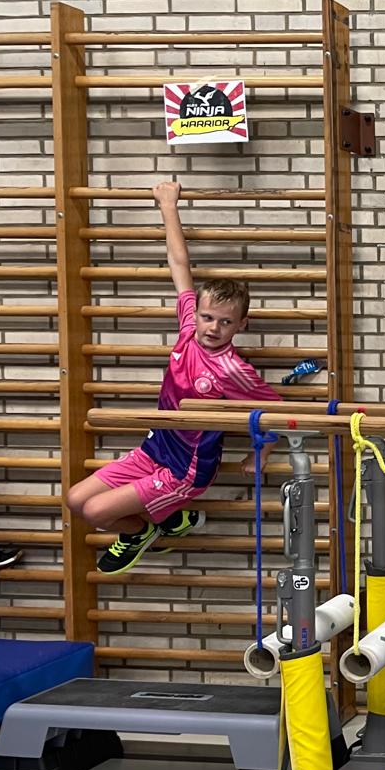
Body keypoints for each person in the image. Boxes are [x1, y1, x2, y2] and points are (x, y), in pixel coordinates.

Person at [64, 181, 281, 574]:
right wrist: (168, 205)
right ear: (195, 313)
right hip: (154, 451)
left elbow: (275, 410)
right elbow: (179, 264)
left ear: (241, 326)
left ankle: (145, 530)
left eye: (226, 322)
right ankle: (170, 521)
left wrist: (261, 453)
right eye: (207, 317)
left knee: (96, 511)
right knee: (75, 499)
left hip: (185, 470)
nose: (213, 327)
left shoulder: (233, 369)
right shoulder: (187, 330)